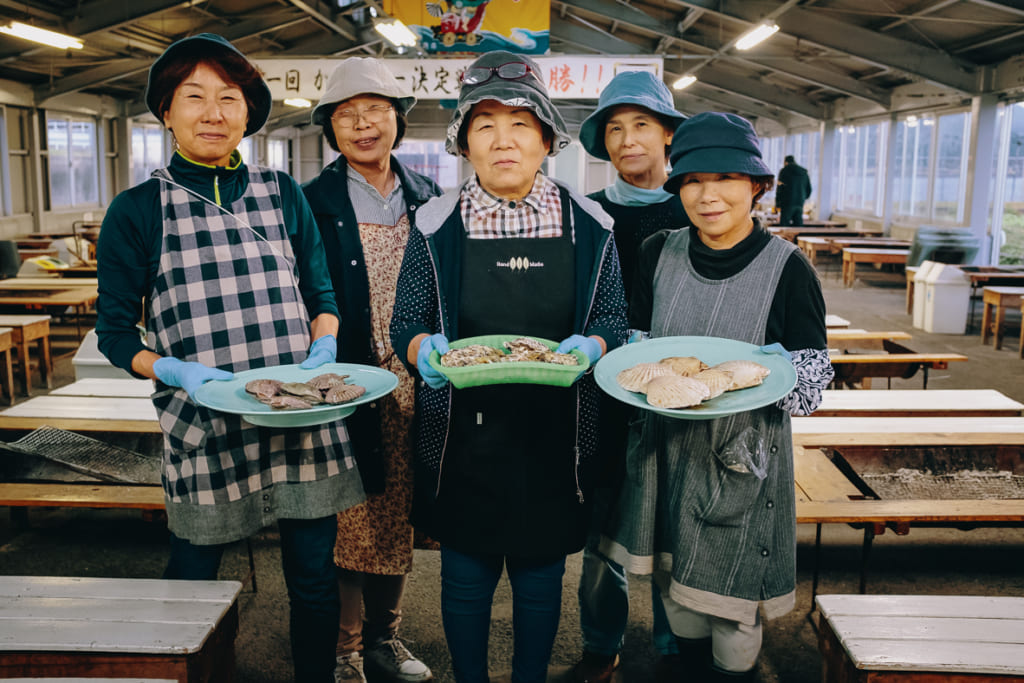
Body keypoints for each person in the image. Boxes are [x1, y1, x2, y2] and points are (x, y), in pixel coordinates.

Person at [95, 33, 365, 683]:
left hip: (301, 421)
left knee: (314, 579)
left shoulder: (282, 193)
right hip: (203, 424)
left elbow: (321, 294)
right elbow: (113, 332)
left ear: (249, 114)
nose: (212, 112)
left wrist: (323, 341)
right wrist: (173, 368)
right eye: (194, 97)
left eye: (228, 97)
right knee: (191, 579)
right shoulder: (138, 210)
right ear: (166, 112)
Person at [389, 51, 629, 683]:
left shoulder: (590, 224)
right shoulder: (436, 223)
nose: (503, 140)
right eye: (485, 124)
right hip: (461, 438)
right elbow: (406, 324)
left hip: (556, 434)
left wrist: (591, 350)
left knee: (540, 577)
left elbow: (610, 319)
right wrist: (426, 357)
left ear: (547, 139)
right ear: (464, 142)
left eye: (520, 124)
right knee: (465, 577)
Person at [600, 112, 834, 681]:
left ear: (756, 185)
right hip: (665, 454)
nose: (708, 195)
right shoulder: (659, 251)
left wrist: (766, 373)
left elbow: (809, 388)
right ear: (677, 188)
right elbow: (636, 347)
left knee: (732, 608)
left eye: (726, 178)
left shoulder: (788, 269)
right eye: (692, 180)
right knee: (676, 589)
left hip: (742, 462)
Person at [301, 57, 440, 683]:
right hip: (349, 380)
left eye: (376, 112)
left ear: (398, 122)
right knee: (349, 518)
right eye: (348, 115)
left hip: (416, 379)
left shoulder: (427, 196)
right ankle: (345, 648)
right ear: (331, 128)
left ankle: (388, 637)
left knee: (400, 513)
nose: (363, 125)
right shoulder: (311, 203)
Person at [571, 69, 689, 683]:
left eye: (642, 124)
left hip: (678, 393)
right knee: (605, 524)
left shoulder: (695, 205)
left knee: (672, 520)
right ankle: (600, 642)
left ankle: (675, 642)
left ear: (667, 134)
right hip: (602, 396)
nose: (627, 139)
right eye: (614, 129)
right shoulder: (588, 214)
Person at [774, 154, 812, 226]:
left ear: (786, 162)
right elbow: (809, 189)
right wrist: (803, 198)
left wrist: (777, 204)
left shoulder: (784, 171)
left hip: (787, 203)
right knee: (798, 226)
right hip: (800, 203)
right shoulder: (804, 172)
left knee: (784, 226)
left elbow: (779, 189)